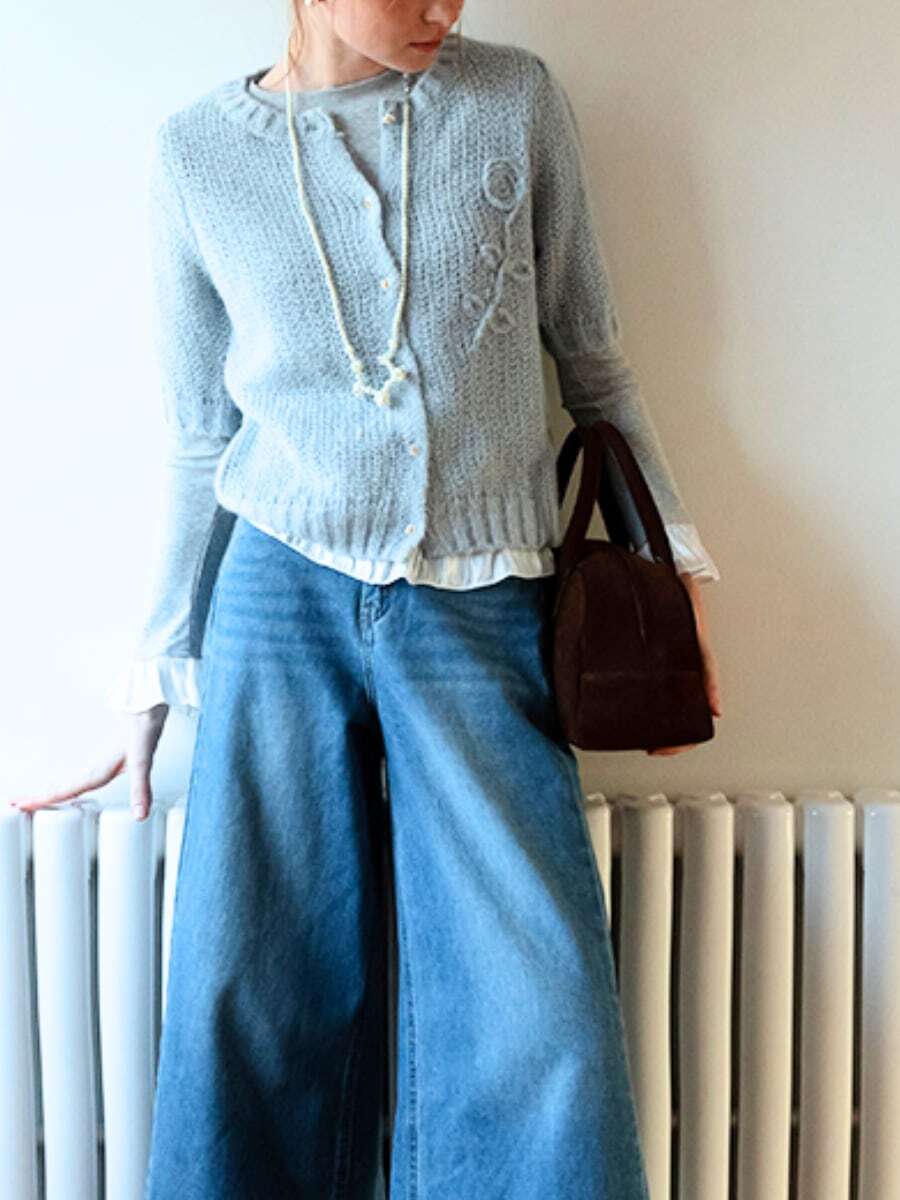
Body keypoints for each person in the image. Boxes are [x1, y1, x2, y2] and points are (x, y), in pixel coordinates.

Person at [11, 2, 723, 1196]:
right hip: (276, 598)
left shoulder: (514, 101)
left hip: (483, 596)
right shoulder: (197, 153)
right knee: (253, 976)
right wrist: (154, 676)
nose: (447, 7)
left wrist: (680, 577)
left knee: (538, 994)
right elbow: (201, 437)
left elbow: (594, 365)